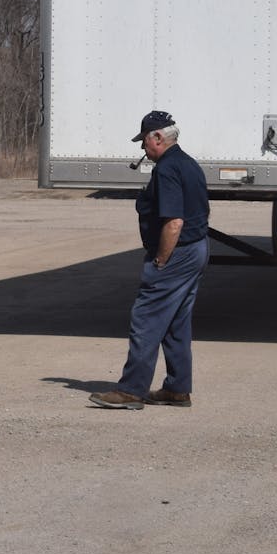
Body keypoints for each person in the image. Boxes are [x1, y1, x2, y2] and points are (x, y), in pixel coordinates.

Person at [91, 110, 210, 410]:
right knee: (176, 322)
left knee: (146, 318)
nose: (142, 148)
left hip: (177, 253)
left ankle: (131, 390)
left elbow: (174, 222)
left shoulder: (167, 169)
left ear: (158, 137)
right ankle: (177, 388)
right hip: (196, 249)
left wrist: (160, 259)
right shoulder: (190, 164)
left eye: (144, 140)